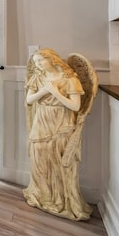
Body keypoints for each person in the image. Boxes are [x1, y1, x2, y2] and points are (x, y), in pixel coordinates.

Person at [22, 48, 92, 221]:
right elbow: (29, 100)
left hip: (61, 122)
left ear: (52, 59)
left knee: (59, 161)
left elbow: (75, 107)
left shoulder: (70, 79)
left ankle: (60, 199)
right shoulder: (38, 77)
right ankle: (42, 195)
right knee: (38, 158)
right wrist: (45, 91)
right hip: (42, 119)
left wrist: (55, 93)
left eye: (41, 61)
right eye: (36, 62)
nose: (39, 65)